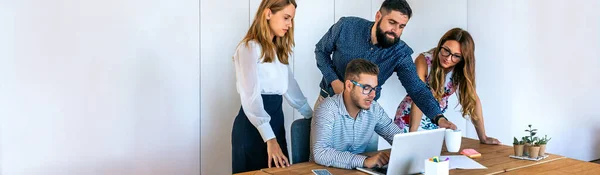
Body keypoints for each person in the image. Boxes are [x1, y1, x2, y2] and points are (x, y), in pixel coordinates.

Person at [314, 0, 456, 129]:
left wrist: (438, 118)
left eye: (401, 26)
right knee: (319, 156)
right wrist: (334, 81)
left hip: (364, 114)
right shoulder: (346, 26)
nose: (396, 31)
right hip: (329, 102)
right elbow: (321, 51)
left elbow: (417, 89)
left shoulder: (400, 53)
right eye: (392, 22)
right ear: (378, 16)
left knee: (367, 157)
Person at [231, 0, 313, 173]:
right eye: (286, 18)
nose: (289, 25)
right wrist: (270, 139)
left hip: (276, 124)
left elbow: (292, 91)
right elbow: (250, 97)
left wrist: (313, 117)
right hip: (253, 128)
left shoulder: (279, 51)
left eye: (291, 20)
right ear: (268, 14)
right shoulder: (248, 48)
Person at [394, 28, 500, 144]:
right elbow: (418, 96)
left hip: (436, 122)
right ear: (441, 45)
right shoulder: (424, 60)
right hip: (410, 119)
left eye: (456, 56)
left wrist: (483, 137)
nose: (448, 58)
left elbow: (473, 100)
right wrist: (412, 135)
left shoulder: (460, 69)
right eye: (446, 50)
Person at [311, 59, 402, 169]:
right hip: (328, 170)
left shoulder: (374, 109)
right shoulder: (328, 108)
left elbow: (397, 137)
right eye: (366, 88)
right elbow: (321, 153)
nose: (372, 95)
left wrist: (412, 149)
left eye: (374, 89)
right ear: (349, 86)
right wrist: (364, 161)